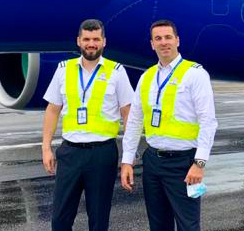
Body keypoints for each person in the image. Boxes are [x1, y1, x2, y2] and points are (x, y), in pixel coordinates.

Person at [120, 20, 218, 231]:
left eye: (168, 37)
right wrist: (127, 161)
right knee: (158, 225)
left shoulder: (195, 74)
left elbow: (208, 120)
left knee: (188, 225)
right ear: (152, 44)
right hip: (153, 161)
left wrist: (199, 163)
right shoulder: (146, 78)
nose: (163, 42)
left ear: (177, 40)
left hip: (184, 163)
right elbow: (135, 121)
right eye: (158, 39)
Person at [42, 19, 134, 231]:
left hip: (102, 154)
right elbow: (52, 109)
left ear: (104, 42)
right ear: (78, 41)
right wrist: (46, 147)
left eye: (95, 39)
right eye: (86, 39)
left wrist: (128, 156)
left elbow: (128, 114)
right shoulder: (63, 70)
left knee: (99, 219)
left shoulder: (116, 71)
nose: (91, 43)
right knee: (60, 219)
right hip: (70, 152)